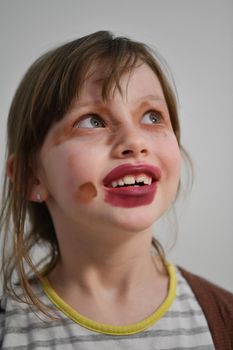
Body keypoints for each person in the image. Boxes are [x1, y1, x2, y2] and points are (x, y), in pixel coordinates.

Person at [0, 30, 232, 350]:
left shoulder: (224, 320)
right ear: (31, 177)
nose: (135, 142)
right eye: (92, 121)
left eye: (152, 117)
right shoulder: (8, 330)